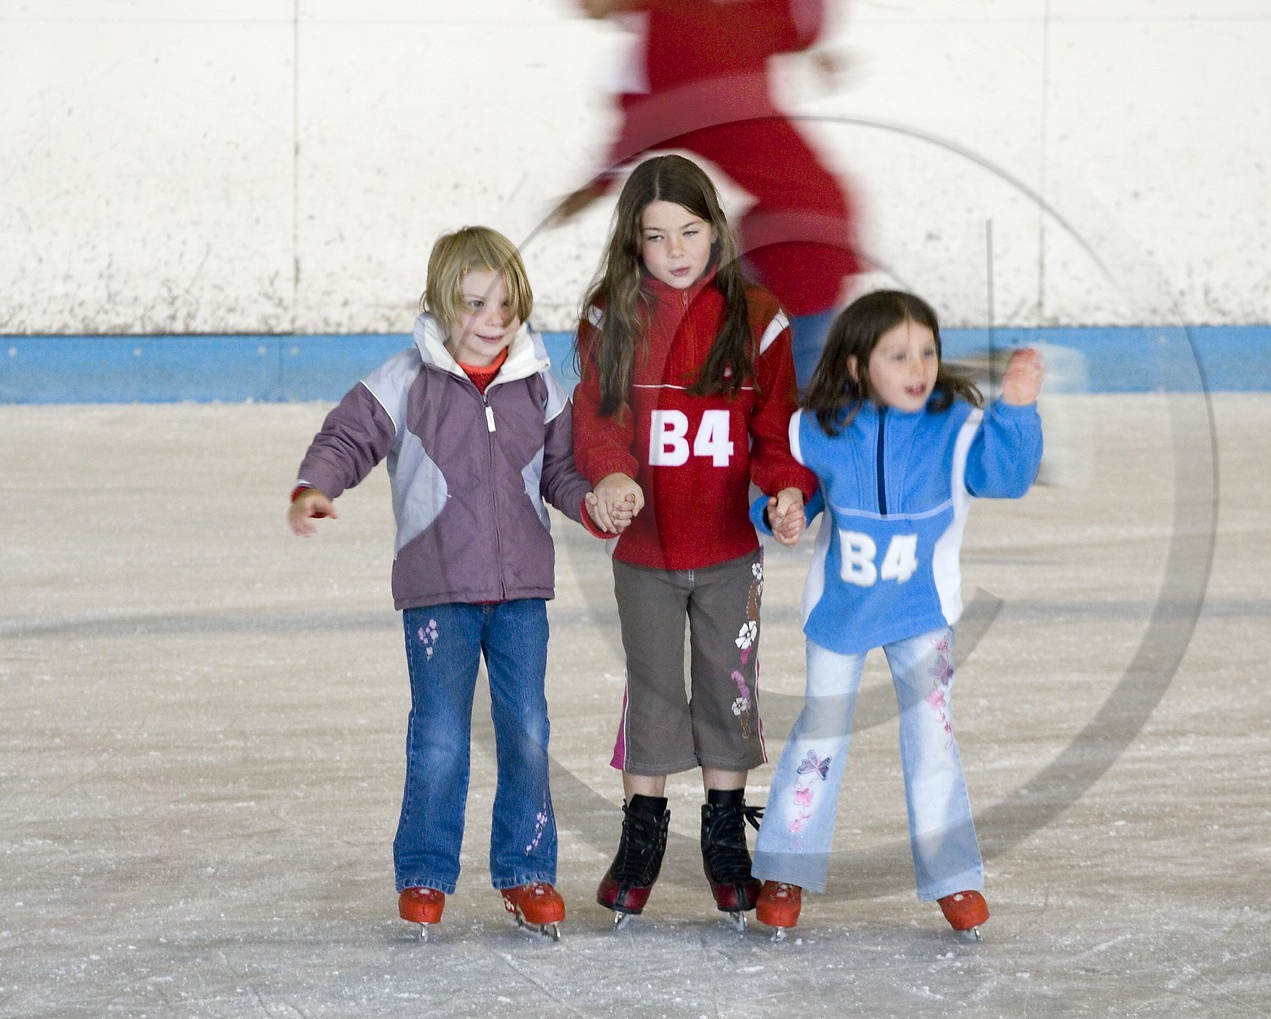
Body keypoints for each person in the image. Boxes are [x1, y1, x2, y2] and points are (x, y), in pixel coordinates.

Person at [287, 226, 618, 939]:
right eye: (474, 304)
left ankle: (526, 869)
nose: (492, 320)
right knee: (439, 735)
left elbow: (560, 472)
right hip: (438, 590)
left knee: (528, 730)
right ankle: (425, 873)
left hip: (521, 592)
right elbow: (348, 437)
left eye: (506, 305)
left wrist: (590, 504)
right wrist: (317, 484)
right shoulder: (404, 381)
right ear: (440, 302)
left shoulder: (538, 383)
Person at [748, 289, 1045, 937]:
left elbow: (1006, 475)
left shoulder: (955, 427)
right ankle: (786, 868)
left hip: (921, 613)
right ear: (857, 367)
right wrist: (781, 511)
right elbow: (783, 488)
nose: (919, 368)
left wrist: (1017, 409)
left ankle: (953, 875)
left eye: (928, 352)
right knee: (820, 735)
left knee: (933, 738)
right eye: (899, 355)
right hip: (841, 613)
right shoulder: (818, 428)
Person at [572, 153, 817, 927]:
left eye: (689, 231)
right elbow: (598, 419)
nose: (674, 250)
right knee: (651, 688)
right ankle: (642, 832)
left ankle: (723, 832)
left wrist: (786, 490)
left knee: (727, 685)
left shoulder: (758, 317)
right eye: (655, 237)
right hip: (643, 554)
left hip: (728, 554)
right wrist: (613, 475)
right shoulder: (611, 314)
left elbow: (776, 431)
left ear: (715, 228)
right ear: (633, 242)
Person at [553, 0, 862, 385]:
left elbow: (614, 163)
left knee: (786, 385)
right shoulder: (707, 10)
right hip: (800, 220)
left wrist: (569, 202)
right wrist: (811, 53)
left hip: (798, 240)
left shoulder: (647, 66)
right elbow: (808, 8)